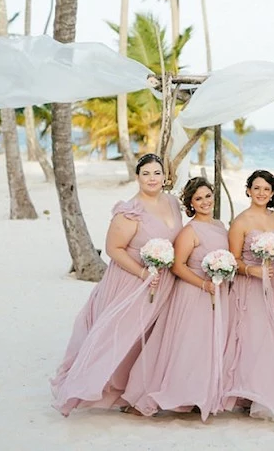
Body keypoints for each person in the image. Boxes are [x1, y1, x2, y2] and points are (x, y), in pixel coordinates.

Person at [50, 153, 183, 416]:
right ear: (137, 177)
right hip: (132, 280)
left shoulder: (172, 202)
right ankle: (82, 387)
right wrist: (143, 274)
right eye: (146, 174)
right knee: (117, 337)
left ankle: (131, 392)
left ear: (164, 177)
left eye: (157, 173)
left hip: (164, 280)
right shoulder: (129, 210)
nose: (152, 178)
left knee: (144, 340)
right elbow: (114, 249)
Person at [122, 177, 230, 420]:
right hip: (193, 295)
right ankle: (151, 398)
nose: (205, 202)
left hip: (215, 295)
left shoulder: (220, 225)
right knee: (183, 347)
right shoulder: (189, 230)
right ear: (191, 203)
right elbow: (178, 267)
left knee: (204, 348)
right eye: (198, 198)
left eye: (208, 196)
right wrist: (204, 283)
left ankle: (194, 396)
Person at [222, 170, 274, 421]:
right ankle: (249, 393)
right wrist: (253, 270)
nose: (261, 193)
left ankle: (264, 387)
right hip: (251, 285)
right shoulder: (241, 222)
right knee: (255, 336)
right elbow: (233, 260)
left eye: (266, 189)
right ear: (248, 190)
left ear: (273, 193)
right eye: (256, 188)